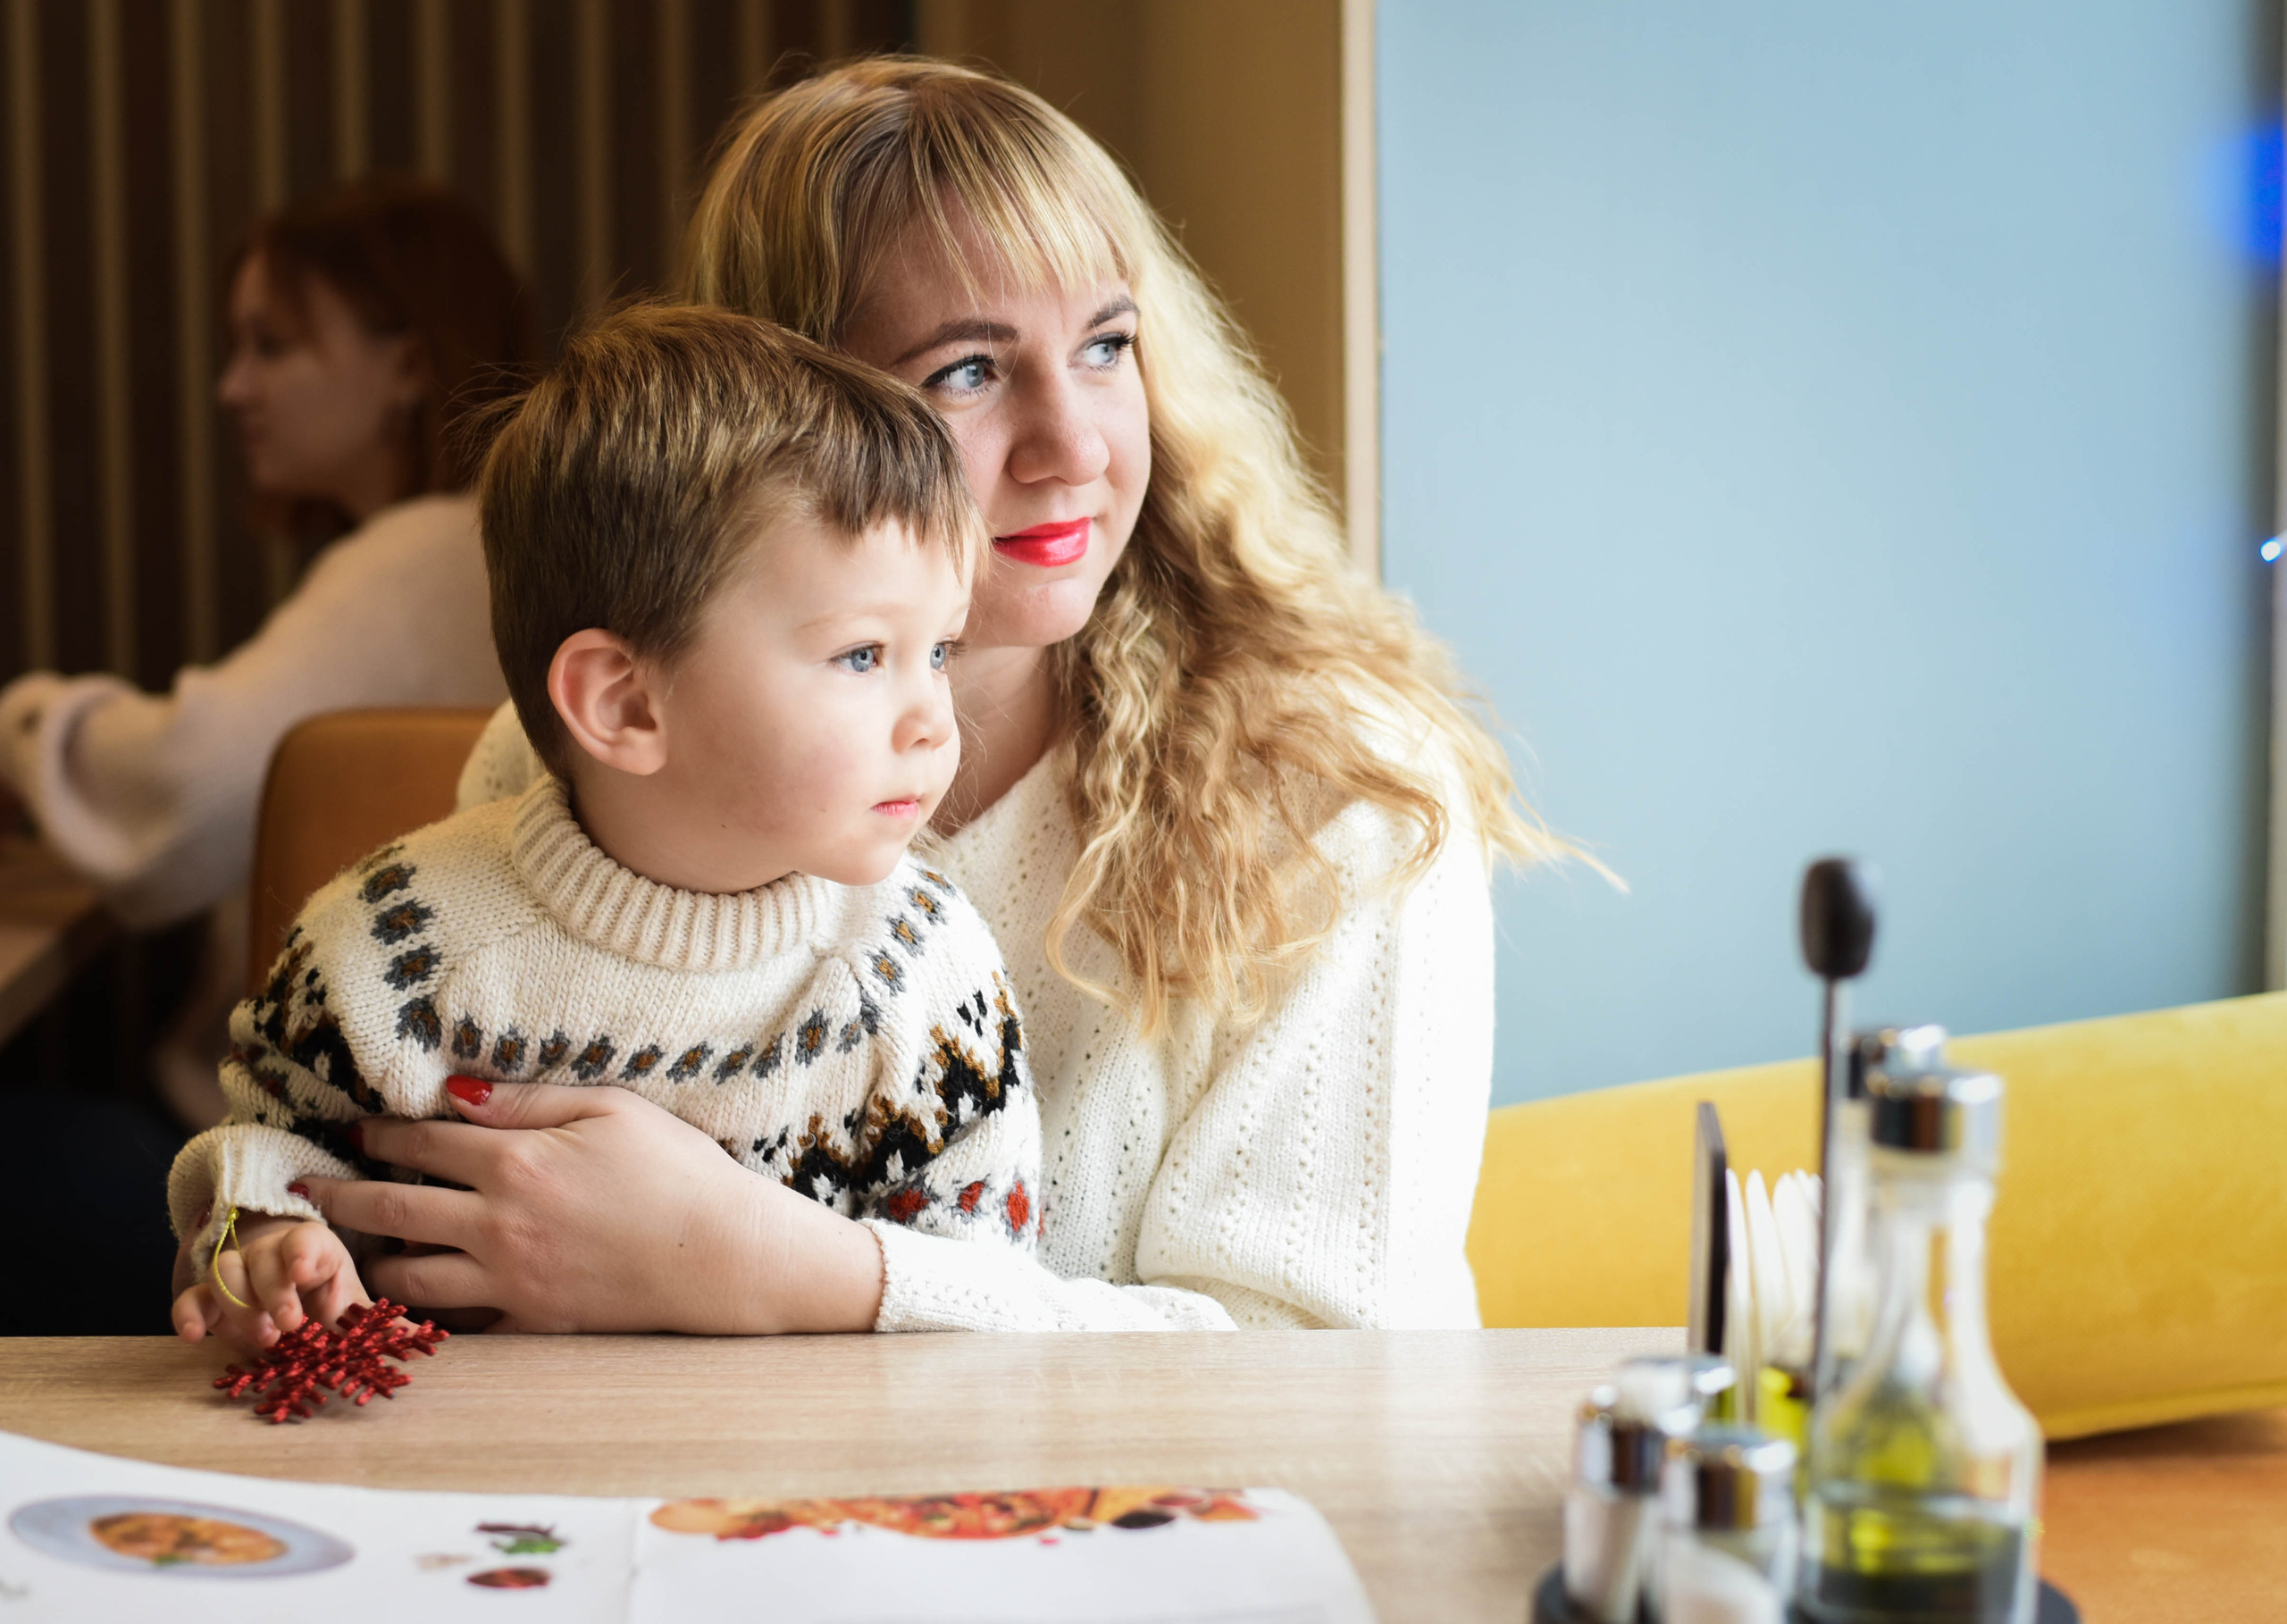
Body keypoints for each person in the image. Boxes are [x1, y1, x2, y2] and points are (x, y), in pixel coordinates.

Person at [314, 58, 1566, 1334]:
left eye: (1108, 346)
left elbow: (1328, 1381)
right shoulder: (572, 771)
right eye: (968, 370)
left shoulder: (1337, 804)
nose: (1075, 446)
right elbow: (435, 1224)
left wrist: (794, 1273)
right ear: (792, 405)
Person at [170, 304, 1038, 1348]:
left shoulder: (924, 976)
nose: (931, 719)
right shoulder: (391, 945)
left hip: (798, 1492)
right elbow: (263, 1151)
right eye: (863, 656)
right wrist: (263, 1238)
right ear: (624, 705)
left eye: (937, 650)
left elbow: (981, 1305)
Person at [0, 177, 531, 1126]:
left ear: (408, 366)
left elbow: (178, 786)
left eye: (271, 346)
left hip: (280, 1170)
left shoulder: (424, 556)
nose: (231, 387)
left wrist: (20, 720)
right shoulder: (490, 544)